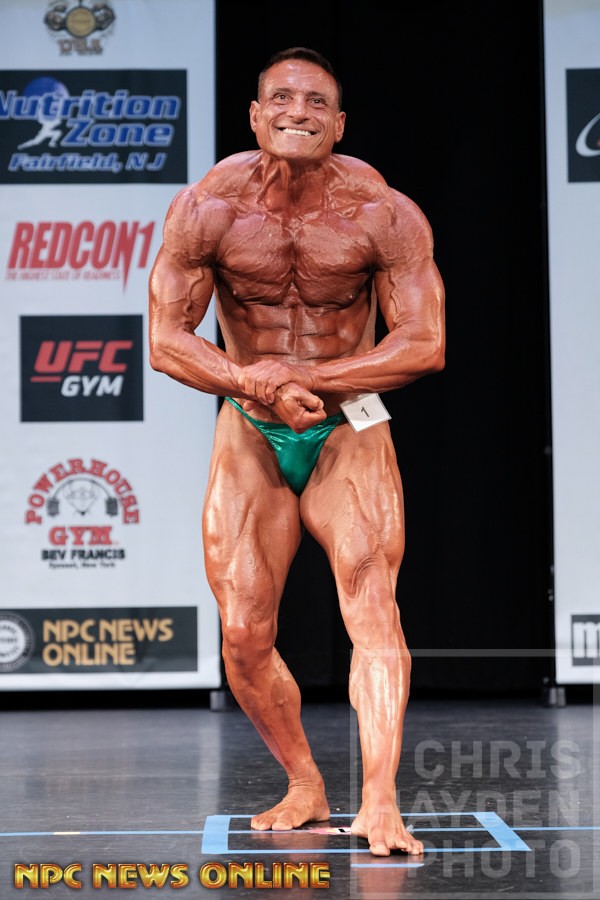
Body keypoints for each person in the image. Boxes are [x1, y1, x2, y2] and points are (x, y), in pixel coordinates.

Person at [149, 47, 445, 857]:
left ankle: (379, 801)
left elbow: (425, 343)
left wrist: (308, 377)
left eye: (316, 102)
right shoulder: (207, 208)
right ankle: (306, 781)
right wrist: (254, 380)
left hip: (351, 421)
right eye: (281, 97)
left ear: (338, 124)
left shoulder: (383, 212)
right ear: (255, 115)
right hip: (251, 423)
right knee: (244, 633)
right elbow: (166, 339)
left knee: (372, 604)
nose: (297, 111)